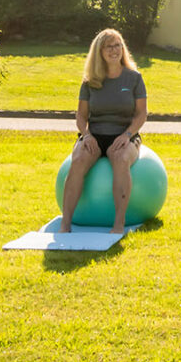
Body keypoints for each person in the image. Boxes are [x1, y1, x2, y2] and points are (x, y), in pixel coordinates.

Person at [61, 28, 148, 234]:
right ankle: (66, 224)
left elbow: (141, 114)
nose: (113, 50)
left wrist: (127, 135)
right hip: (95, 135)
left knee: (119, 159)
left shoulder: (134, 78)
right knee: (79, 159)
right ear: (99, 52)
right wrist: (87, 135)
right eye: (108, 46)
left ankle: (118, 224)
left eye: (117, 45)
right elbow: (81, 116)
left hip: (125, 135)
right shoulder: (90, 81)